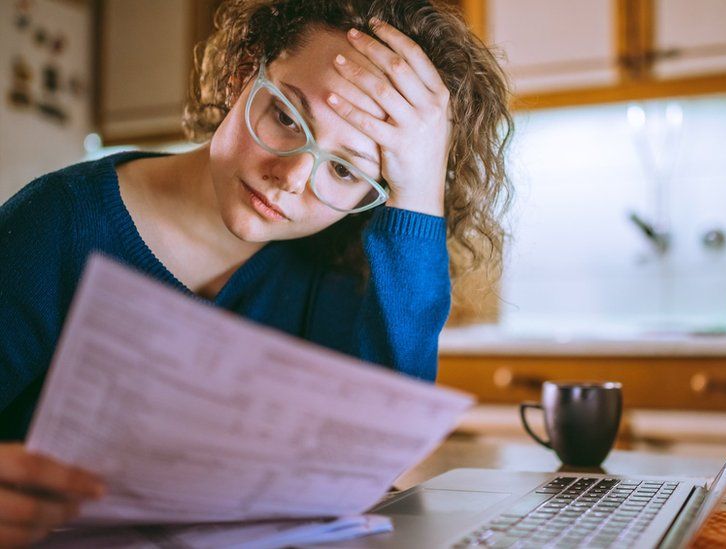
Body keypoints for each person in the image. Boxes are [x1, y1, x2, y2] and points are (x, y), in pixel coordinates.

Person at [0, 0, 512, 544]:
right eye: (287, 117)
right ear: (246, 73)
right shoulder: (57, 222)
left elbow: (370, 465)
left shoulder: (339, 268)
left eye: (344, 169)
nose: (291, 178)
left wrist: (420, 194)